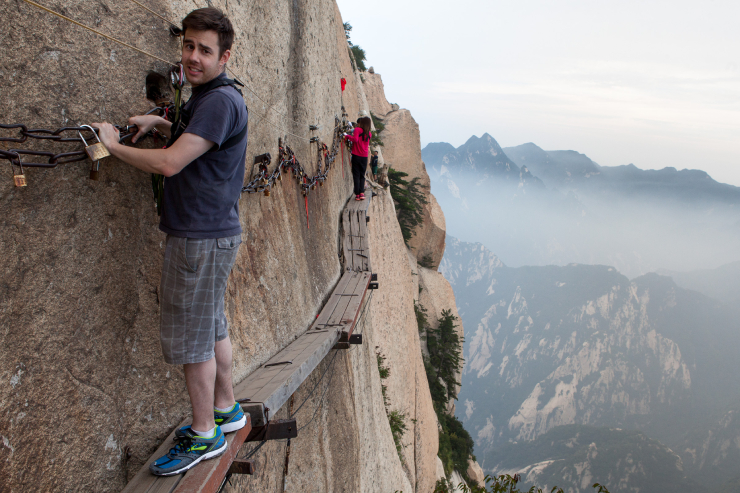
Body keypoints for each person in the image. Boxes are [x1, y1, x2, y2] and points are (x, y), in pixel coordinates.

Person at [93, 7, 248, 476]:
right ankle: (227, 410)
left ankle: (204, 434)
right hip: (214, 233)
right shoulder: (212, 96)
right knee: (212, 326)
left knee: (192, 340)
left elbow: (170, 165)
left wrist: (112, 145)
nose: (194, 57)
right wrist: (158, 124)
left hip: (198, 240)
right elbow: (195, 141)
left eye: (204, 49)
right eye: (188, 46)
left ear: (225, 55)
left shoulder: (218, 101)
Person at [344, 111, 372, 201]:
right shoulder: (369, 134)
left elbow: (355, 140)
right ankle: (362, 193)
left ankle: (357, 194)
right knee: (362, 175)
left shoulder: (357, 130)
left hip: (356, 155)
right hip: (364, 157)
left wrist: (347, 136)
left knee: (356, 175)